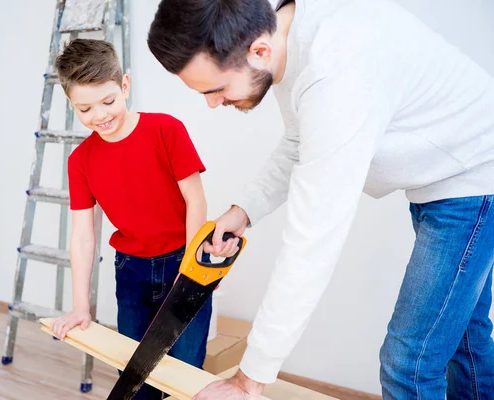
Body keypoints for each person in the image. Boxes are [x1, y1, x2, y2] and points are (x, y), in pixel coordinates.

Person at [147, 0, 494, 398]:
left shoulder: (338, 72)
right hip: (450, 175)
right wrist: (245, 211)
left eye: (217, 88)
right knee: (465, 336)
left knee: (408, 363)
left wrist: (249, 380)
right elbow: (301, 139)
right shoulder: (287, 36)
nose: (211, 103)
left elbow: (312, 243)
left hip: (473, 178)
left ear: (259, 50)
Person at [49, 38, 212, 399]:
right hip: (131, 272)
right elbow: (83, 236)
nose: (100, 116)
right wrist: (81, 306)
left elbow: (196, 201)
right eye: (85, 109)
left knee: (185, 375)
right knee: (137, 378)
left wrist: (189, 271)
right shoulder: (80, 161)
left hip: (184, 264)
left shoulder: (166, 130)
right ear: (72, 105)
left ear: (125, 85)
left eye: (108, 101)